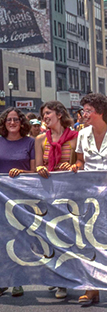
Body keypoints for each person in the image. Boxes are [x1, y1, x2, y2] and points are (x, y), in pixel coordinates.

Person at [69, 93, 107, 305]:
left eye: (88, 110)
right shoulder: (82, 135)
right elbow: (81, 161)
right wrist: (76, 166)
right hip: (89, 193)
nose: (84, 114)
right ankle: (91, 287)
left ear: (100, 112)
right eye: (84, 110)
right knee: (88, 238)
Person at [35, 101, 78, 299]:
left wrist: (74, 166)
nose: (45, 116)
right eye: (43, 113)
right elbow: (36, 166)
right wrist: (40, 169)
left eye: (48, 112)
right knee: (49, 237)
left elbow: (79, 162)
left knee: (68, 238)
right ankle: (57, 278)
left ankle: (68, 278)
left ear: (59, 114)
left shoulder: (75, 138)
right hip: (47, 194)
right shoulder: (40, 139)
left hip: (70, 194)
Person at [0, 107, 36, 298]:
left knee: (19, 240)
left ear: (22, 123)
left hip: (22, 199)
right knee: (1, 240)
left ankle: (18, 281)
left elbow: (36, 172)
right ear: (4, 124)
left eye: (15, 120)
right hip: (1, 198)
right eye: (8, 120)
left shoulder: (30, 142)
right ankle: (3, 280)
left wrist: (22, 173)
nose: (12, 123)